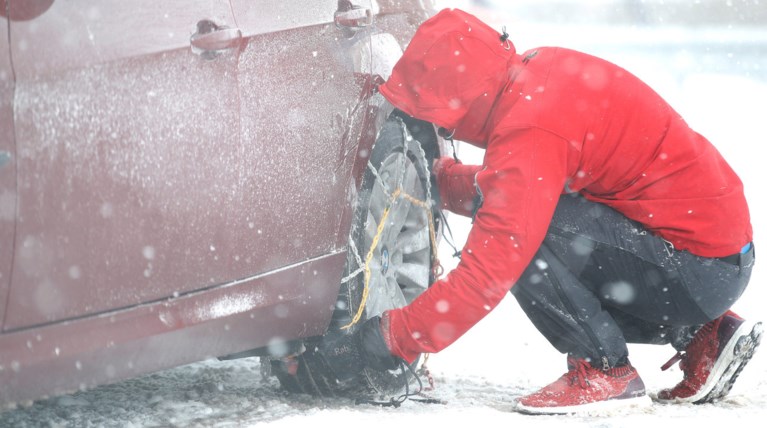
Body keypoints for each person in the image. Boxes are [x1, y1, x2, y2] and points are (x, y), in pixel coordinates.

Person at [322, 8, 761, 414]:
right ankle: (703, 334)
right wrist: (442, 182)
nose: (445, 129)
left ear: (463, 99)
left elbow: (485, 277)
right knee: (528, 219)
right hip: (714, 255)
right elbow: (520, 185)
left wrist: (392, 337)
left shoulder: (528, 129)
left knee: (527, 242)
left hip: (693, 268)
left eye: (442, 119)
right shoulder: (536, 77)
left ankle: (605, 369)